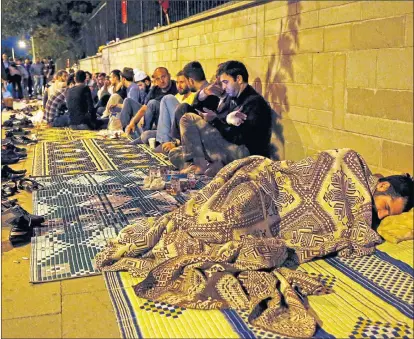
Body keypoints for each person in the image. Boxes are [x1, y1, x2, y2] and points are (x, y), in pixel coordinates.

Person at [95, 148, 413, 338]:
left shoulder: (366, 217)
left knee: (227, 233)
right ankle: (177, 226)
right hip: (270, 184)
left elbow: (343, 229)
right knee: (222, 211)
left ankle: (190, 231)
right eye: (384, 207)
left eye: (387, 216)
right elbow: (315, 172)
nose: (379, 216)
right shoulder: (350, 163)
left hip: (280, 220)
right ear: (381, 184)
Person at [169, 60, 272, 176]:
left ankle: (201, 166)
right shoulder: (231, 97)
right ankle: (214, 166)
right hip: (226, 147)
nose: (223, 86)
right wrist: (217, 119)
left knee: (187, 119)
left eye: (225, 82)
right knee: (174, 153)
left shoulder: (254, 102)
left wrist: (215, 121)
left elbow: (239, 138)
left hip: (243, 153)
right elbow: (197, 107)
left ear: (238, 79)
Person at [138, 70, 196, 151]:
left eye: (182, 82)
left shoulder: (194, 96)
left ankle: (164, 142)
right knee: (145, 135)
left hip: (183, 131)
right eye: (177, 82)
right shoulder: (178, 96)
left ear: (190, 82)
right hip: (169, 130)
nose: (179, 85)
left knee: (167, 98)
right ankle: (146, 138)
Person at [124, 67, 177, 137]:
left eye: (163, 77)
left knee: (153, 103)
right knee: (127, 101)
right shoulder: (155, 89)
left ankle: (143, 135)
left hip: (169, 122)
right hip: (156, 119)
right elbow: (145, 107)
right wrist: (132, 123)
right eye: (158, 79)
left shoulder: (176, 86)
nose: (161, 81)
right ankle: (127, 130)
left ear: (169, 76)